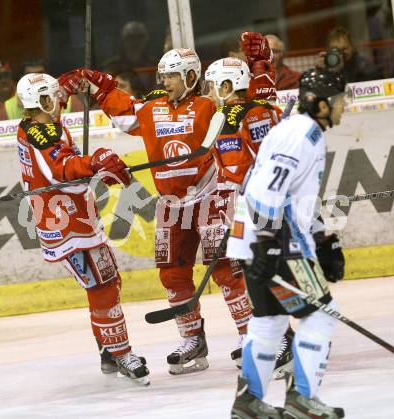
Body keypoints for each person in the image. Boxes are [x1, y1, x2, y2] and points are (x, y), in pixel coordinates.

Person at [60, 48, 254, 373]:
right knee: (172, 275)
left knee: (225, 271)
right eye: (163, 75)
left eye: (172, 76)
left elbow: (240, 123)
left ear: (191, 76)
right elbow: (123, 112)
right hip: (171, 205)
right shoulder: (152, 108)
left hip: (210, 199)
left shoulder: (210, 106)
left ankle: (251, 337)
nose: (165, 82)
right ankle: (193, 339)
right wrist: (96, 85)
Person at [229, 67, 349, 418]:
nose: (344, 107)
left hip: (258, 237)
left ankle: (249, 402)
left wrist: (322, 240)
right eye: (339, 101)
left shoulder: (301, 130)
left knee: (269, 320)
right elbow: (267, 189)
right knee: (322, 316)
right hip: (276, 240)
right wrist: (266, 244)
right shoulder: (303, 134)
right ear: (320, 105)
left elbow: (296, 196)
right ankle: (302, 400)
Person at [15, 72, 150, 385]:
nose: (60, 100)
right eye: (53, 97)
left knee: (106, 280)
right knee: (103, 286)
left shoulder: (39, 119)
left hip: (70, 218)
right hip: (67, 224)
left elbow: (51, 101)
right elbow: (61, 169)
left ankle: (109, 351)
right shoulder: (42, 131)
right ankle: (121, 353)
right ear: (42, 102)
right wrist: (97, 161)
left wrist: (71, 80)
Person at [206, 32, 295, 379]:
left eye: (214, 85)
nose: (210, 92)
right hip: (243, 207)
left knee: (264, 273)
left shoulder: (254, 114)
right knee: (253, 274)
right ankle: (275, 337)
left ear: (228, 85)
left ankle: (284, 341)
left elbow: (266, 162)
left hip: (262, 207)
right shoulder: (229, 113)